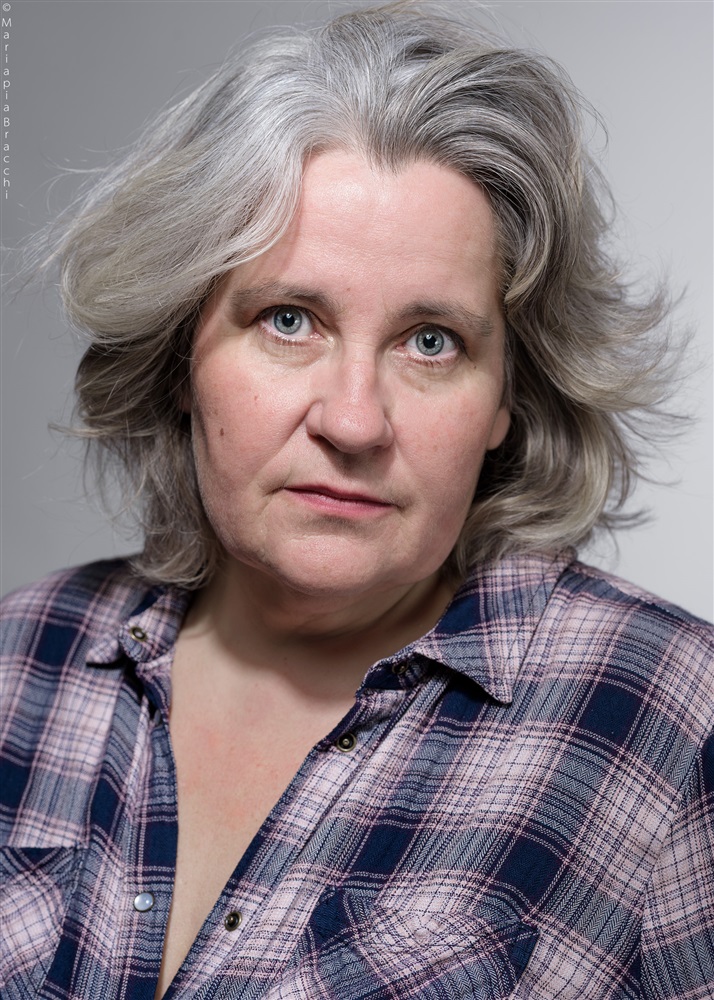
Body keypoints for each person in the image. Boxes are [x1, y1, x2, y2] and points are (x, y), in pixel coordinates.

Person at [1, 3, 712, 998]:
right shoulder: (20, 657)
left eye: (432, 342)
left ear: (507, 398)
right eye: (289, 319)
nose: (353, 420)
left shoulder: (669, 714)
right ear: (179, 353)